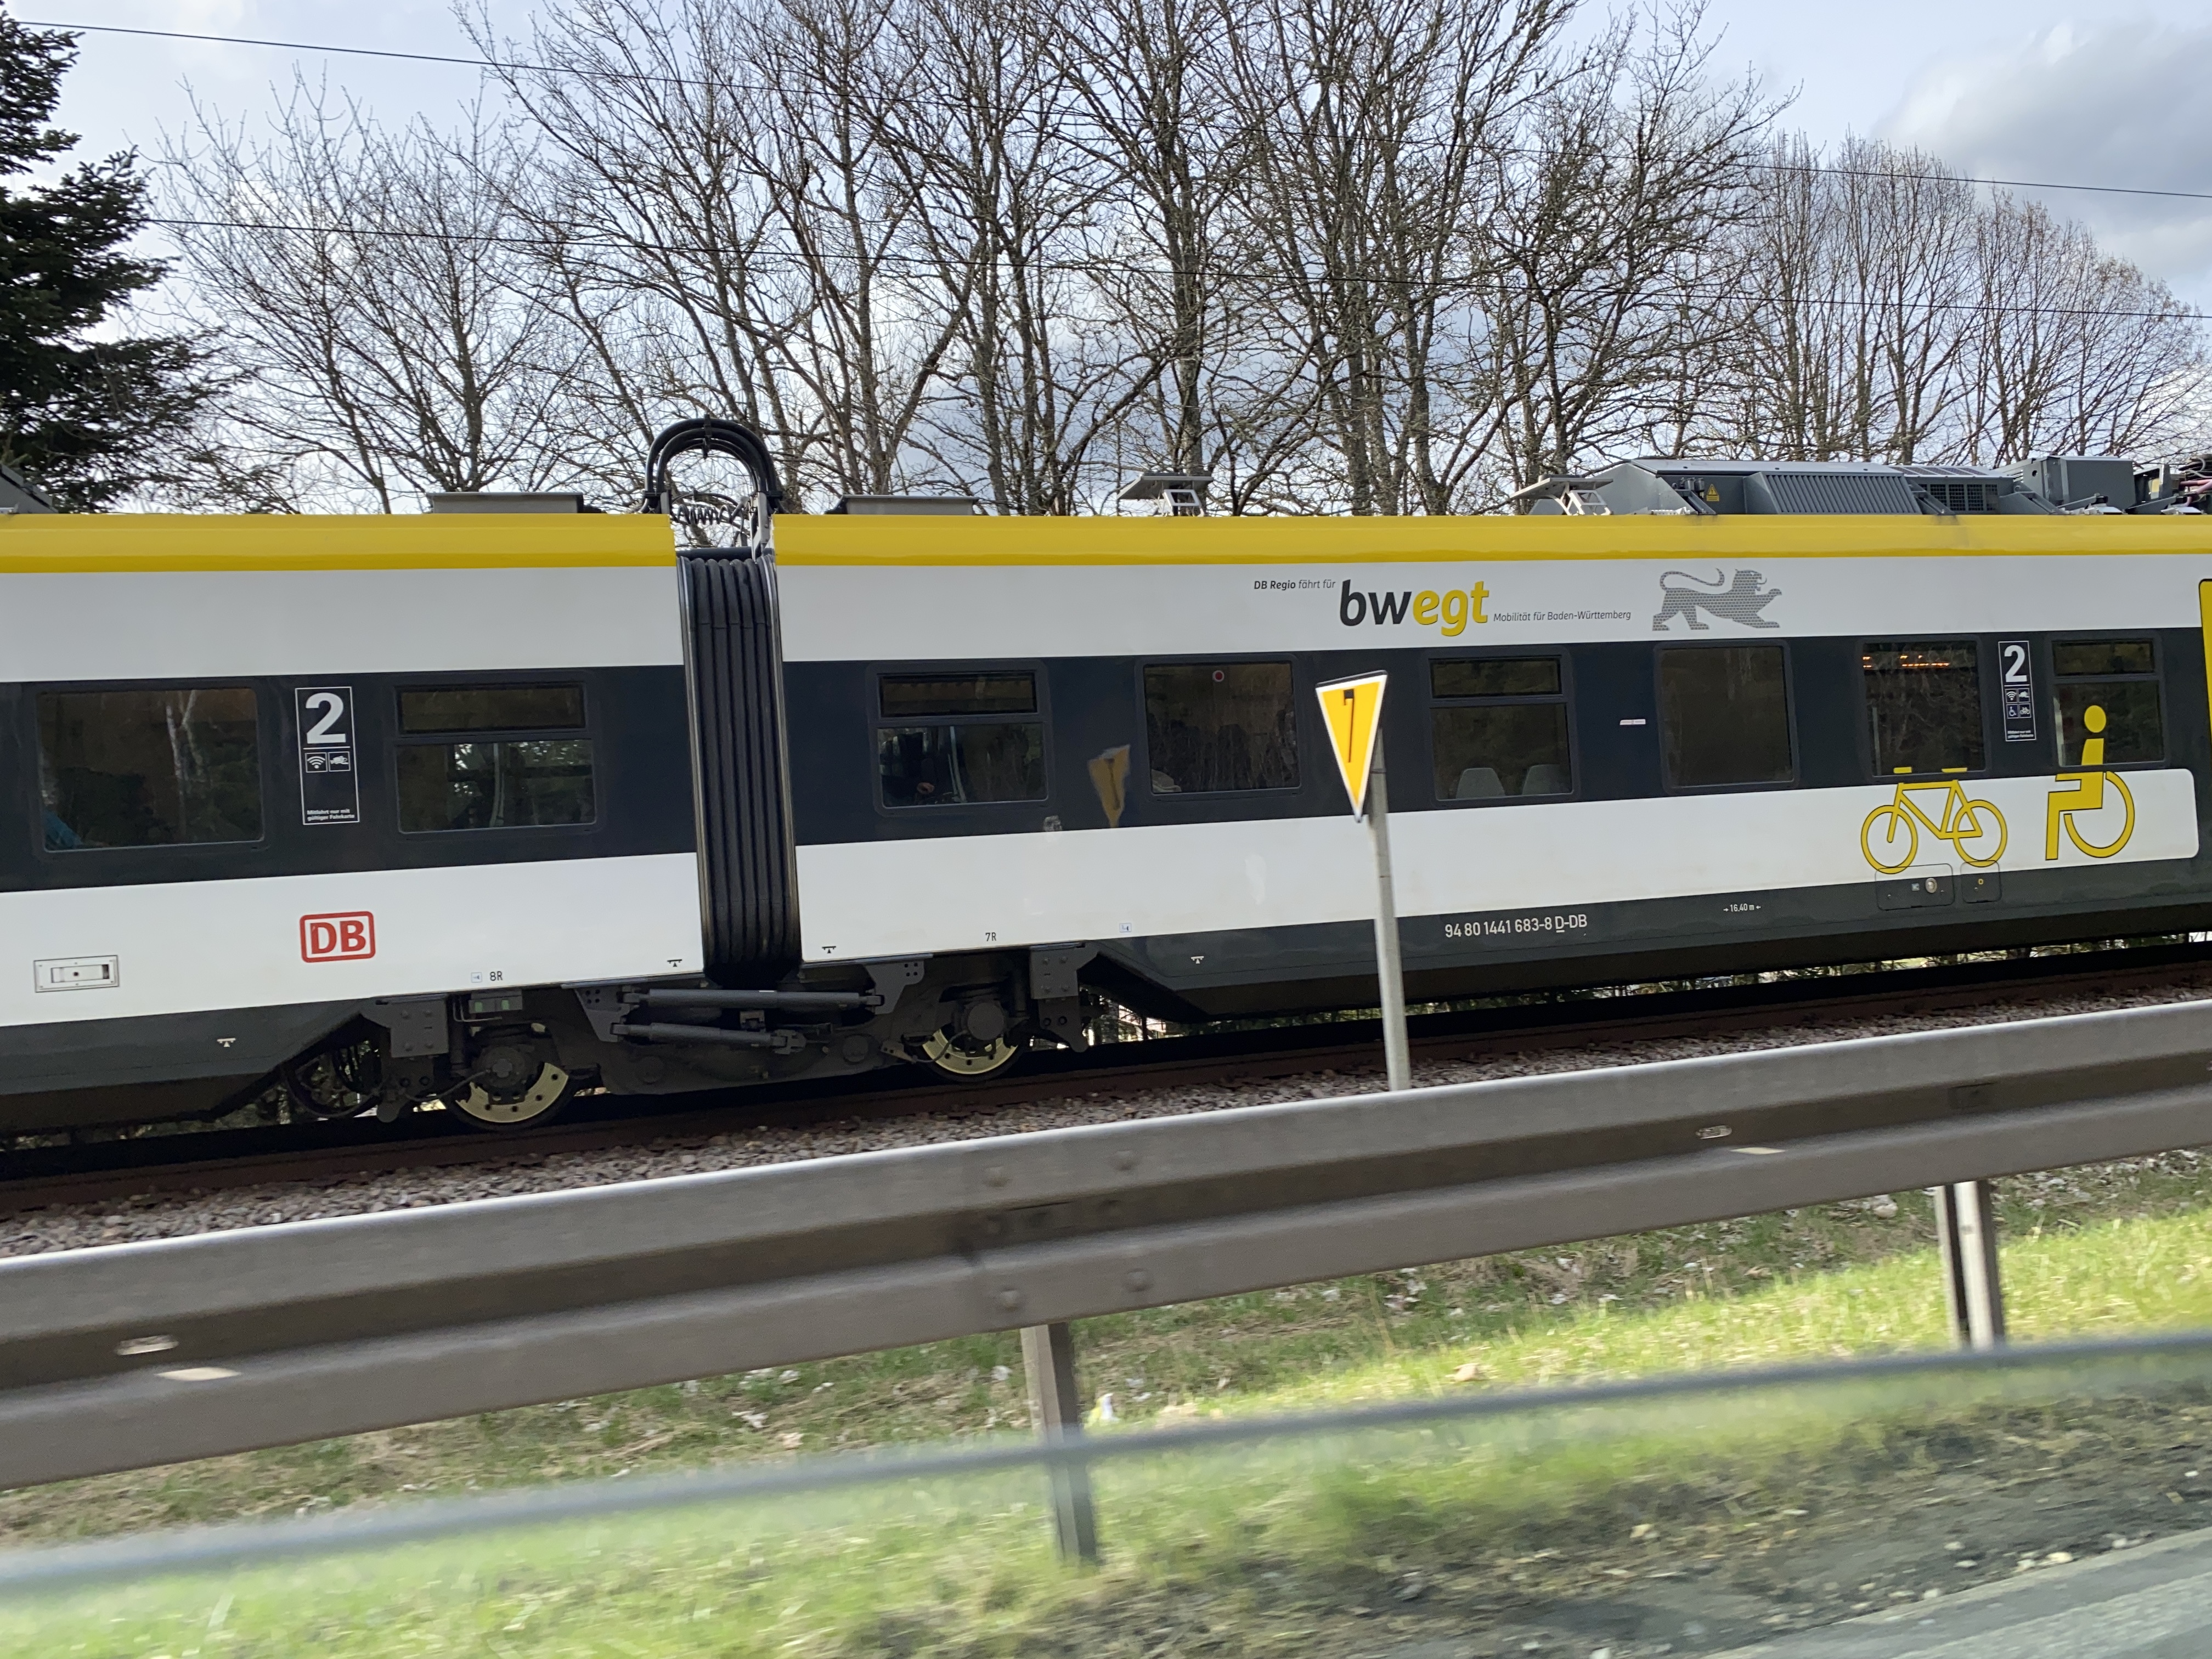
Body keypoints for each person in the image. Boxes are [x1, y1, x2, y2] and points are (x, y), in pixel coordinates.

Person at [2044, 704, 2109, 860]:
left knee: (2055, 802)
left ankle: (2051, 849)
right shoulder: (2095, 742)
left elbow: (2087, 769)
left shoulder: (2091, 744)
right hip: (2090, 787)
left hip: (2089, 791)